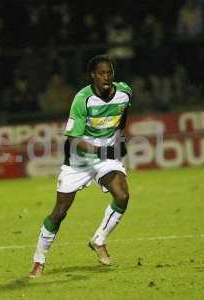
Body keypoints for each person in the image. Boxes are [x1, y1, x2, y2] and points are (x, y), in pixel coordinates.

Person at [29, 55, 132, 277]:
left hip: (106, 159)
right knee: (59, 212)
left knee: (122, 195)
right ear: (93, 76)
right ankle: (39, 259)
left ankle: (99, 239)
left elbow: (123, 115)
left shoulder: (124, 92)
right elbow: (73, 140)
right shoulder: (82, 99)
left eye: (110, 73)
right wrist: (102, 150)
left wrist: (117, 139)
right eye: (102, 73)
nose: (107, 77)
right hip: (79, 161)